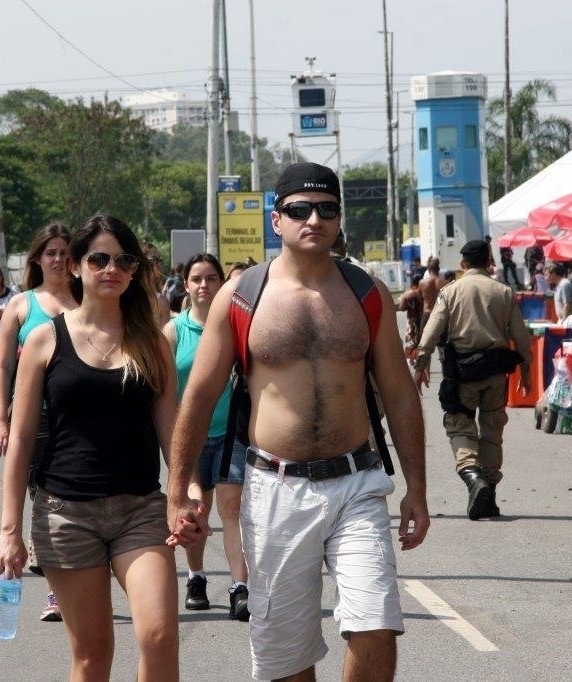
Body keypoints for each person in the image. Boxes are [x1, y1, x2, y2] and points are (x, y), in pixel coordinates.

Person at [166, 162, 429, 682]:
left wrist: (416, 490)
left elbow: (400, 396)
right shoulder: (242, 296)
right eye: (300, 209)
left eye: (327, 209)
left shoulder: (368, 293)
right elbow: (197, 396)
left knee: (375, 623)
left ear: (339, 219)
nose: (315, 219)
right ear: (276, 219)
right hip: (274, 487)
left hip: (357, 483)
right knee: (286, 653)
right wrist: (179, 490)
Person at [0, 214, 179, 680]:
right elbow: (19, 440)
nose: (110, 268)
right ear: (75, 266)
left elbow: (172, 431)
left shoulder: (153, 344)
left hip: (140, 509)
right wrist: (10, 530)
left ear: (134, 270)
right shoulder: (43, 340)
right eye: (98, 258)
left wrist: (186, 493)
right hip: (65, 513)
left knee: (158, 636)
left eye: (122, 260)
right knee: (93, 654)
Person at [0, 222, 78, 622]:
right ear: (38, 259)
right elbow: (3, 366)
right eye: (51, 253)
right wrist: (0, 419)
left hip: (78, 418)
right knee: (42, 498)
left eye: (65, 252)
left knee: (70, 498)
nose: (58, 259)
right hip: (33, 420)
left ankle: (64, 584)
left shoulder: (86, 301)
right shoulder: (22, 305)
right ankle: (54, 584)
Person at [414, 239, 532, 520]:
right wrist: (526, 373)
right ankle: (488, 496)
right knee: (492, 430)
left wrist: (422, 362)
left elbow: (432, 330)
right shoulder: (504, 291)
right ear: (489, 261)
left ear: (464, 264)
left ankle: (473, 478)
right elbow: (521, 337)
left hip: (463, 373)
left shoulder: (451, 291)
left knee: (460, 426)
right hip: (495, 374)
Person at [162, 253, 249, 621]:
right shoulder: (173, 332)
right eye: (196, 279)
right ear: (186, 285)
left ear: (222, 283)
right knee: (196, 509)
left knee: (233, 510)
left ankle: (239, 589)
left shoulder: (235, 325)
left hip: (232, 434)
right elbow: (165, 394)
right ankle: (196, 578)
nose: (204, 285)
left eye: (211, 278)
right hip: (191, 438)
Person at [398, 273, 424, 347]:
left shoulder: (407, 294)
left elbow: (402, 308)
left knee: (411, 344)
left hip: (411, 321)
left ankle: (413, 356)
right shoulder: (424, 292)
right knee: (423, 344)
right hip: (422, 320)